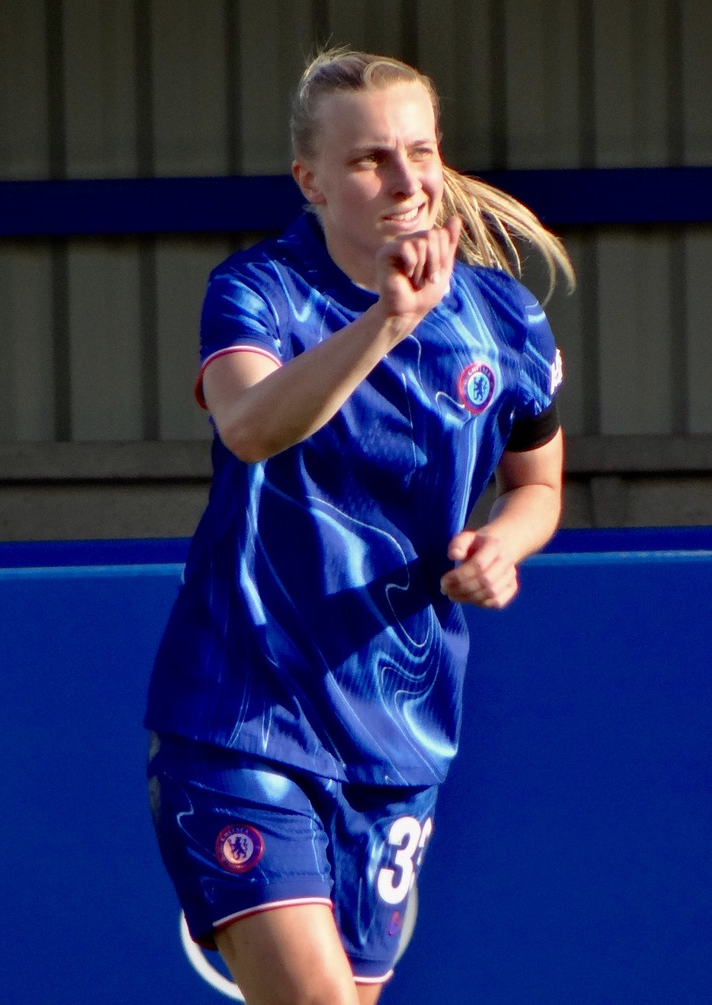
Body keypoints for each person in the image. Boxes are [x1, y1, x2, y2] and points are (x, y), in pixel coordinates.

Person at [145, 46, 574, 1005]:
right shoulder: (258, 290)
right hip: (245, 713)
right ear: (310, 181)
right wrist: (387, 321)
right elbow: (250, 426)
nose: (405, 180)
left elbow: (538, 484)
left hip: (398, 730)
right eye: (369, 160)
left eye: (419, 152)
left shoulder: (504, 320)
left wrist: (501, 545)